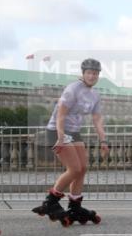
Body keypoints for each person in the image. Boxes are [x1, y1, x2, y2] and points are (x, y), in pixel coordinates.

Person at [31, 58, 108, 226]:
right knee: (74, 169)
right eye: (89, 73)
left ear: (98, 75)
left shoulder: (95, 95)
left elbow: (97, 120)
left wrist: (104, 140)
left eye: (95, 73)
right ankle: (50, 201)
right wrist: (60, 136)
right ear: (83, 73)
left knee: (83, 169)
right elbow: (60, 115)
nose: (92, 76)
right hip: (57, 130)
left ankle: (75, 206)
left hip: (73, 132)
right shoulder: (73, 89)